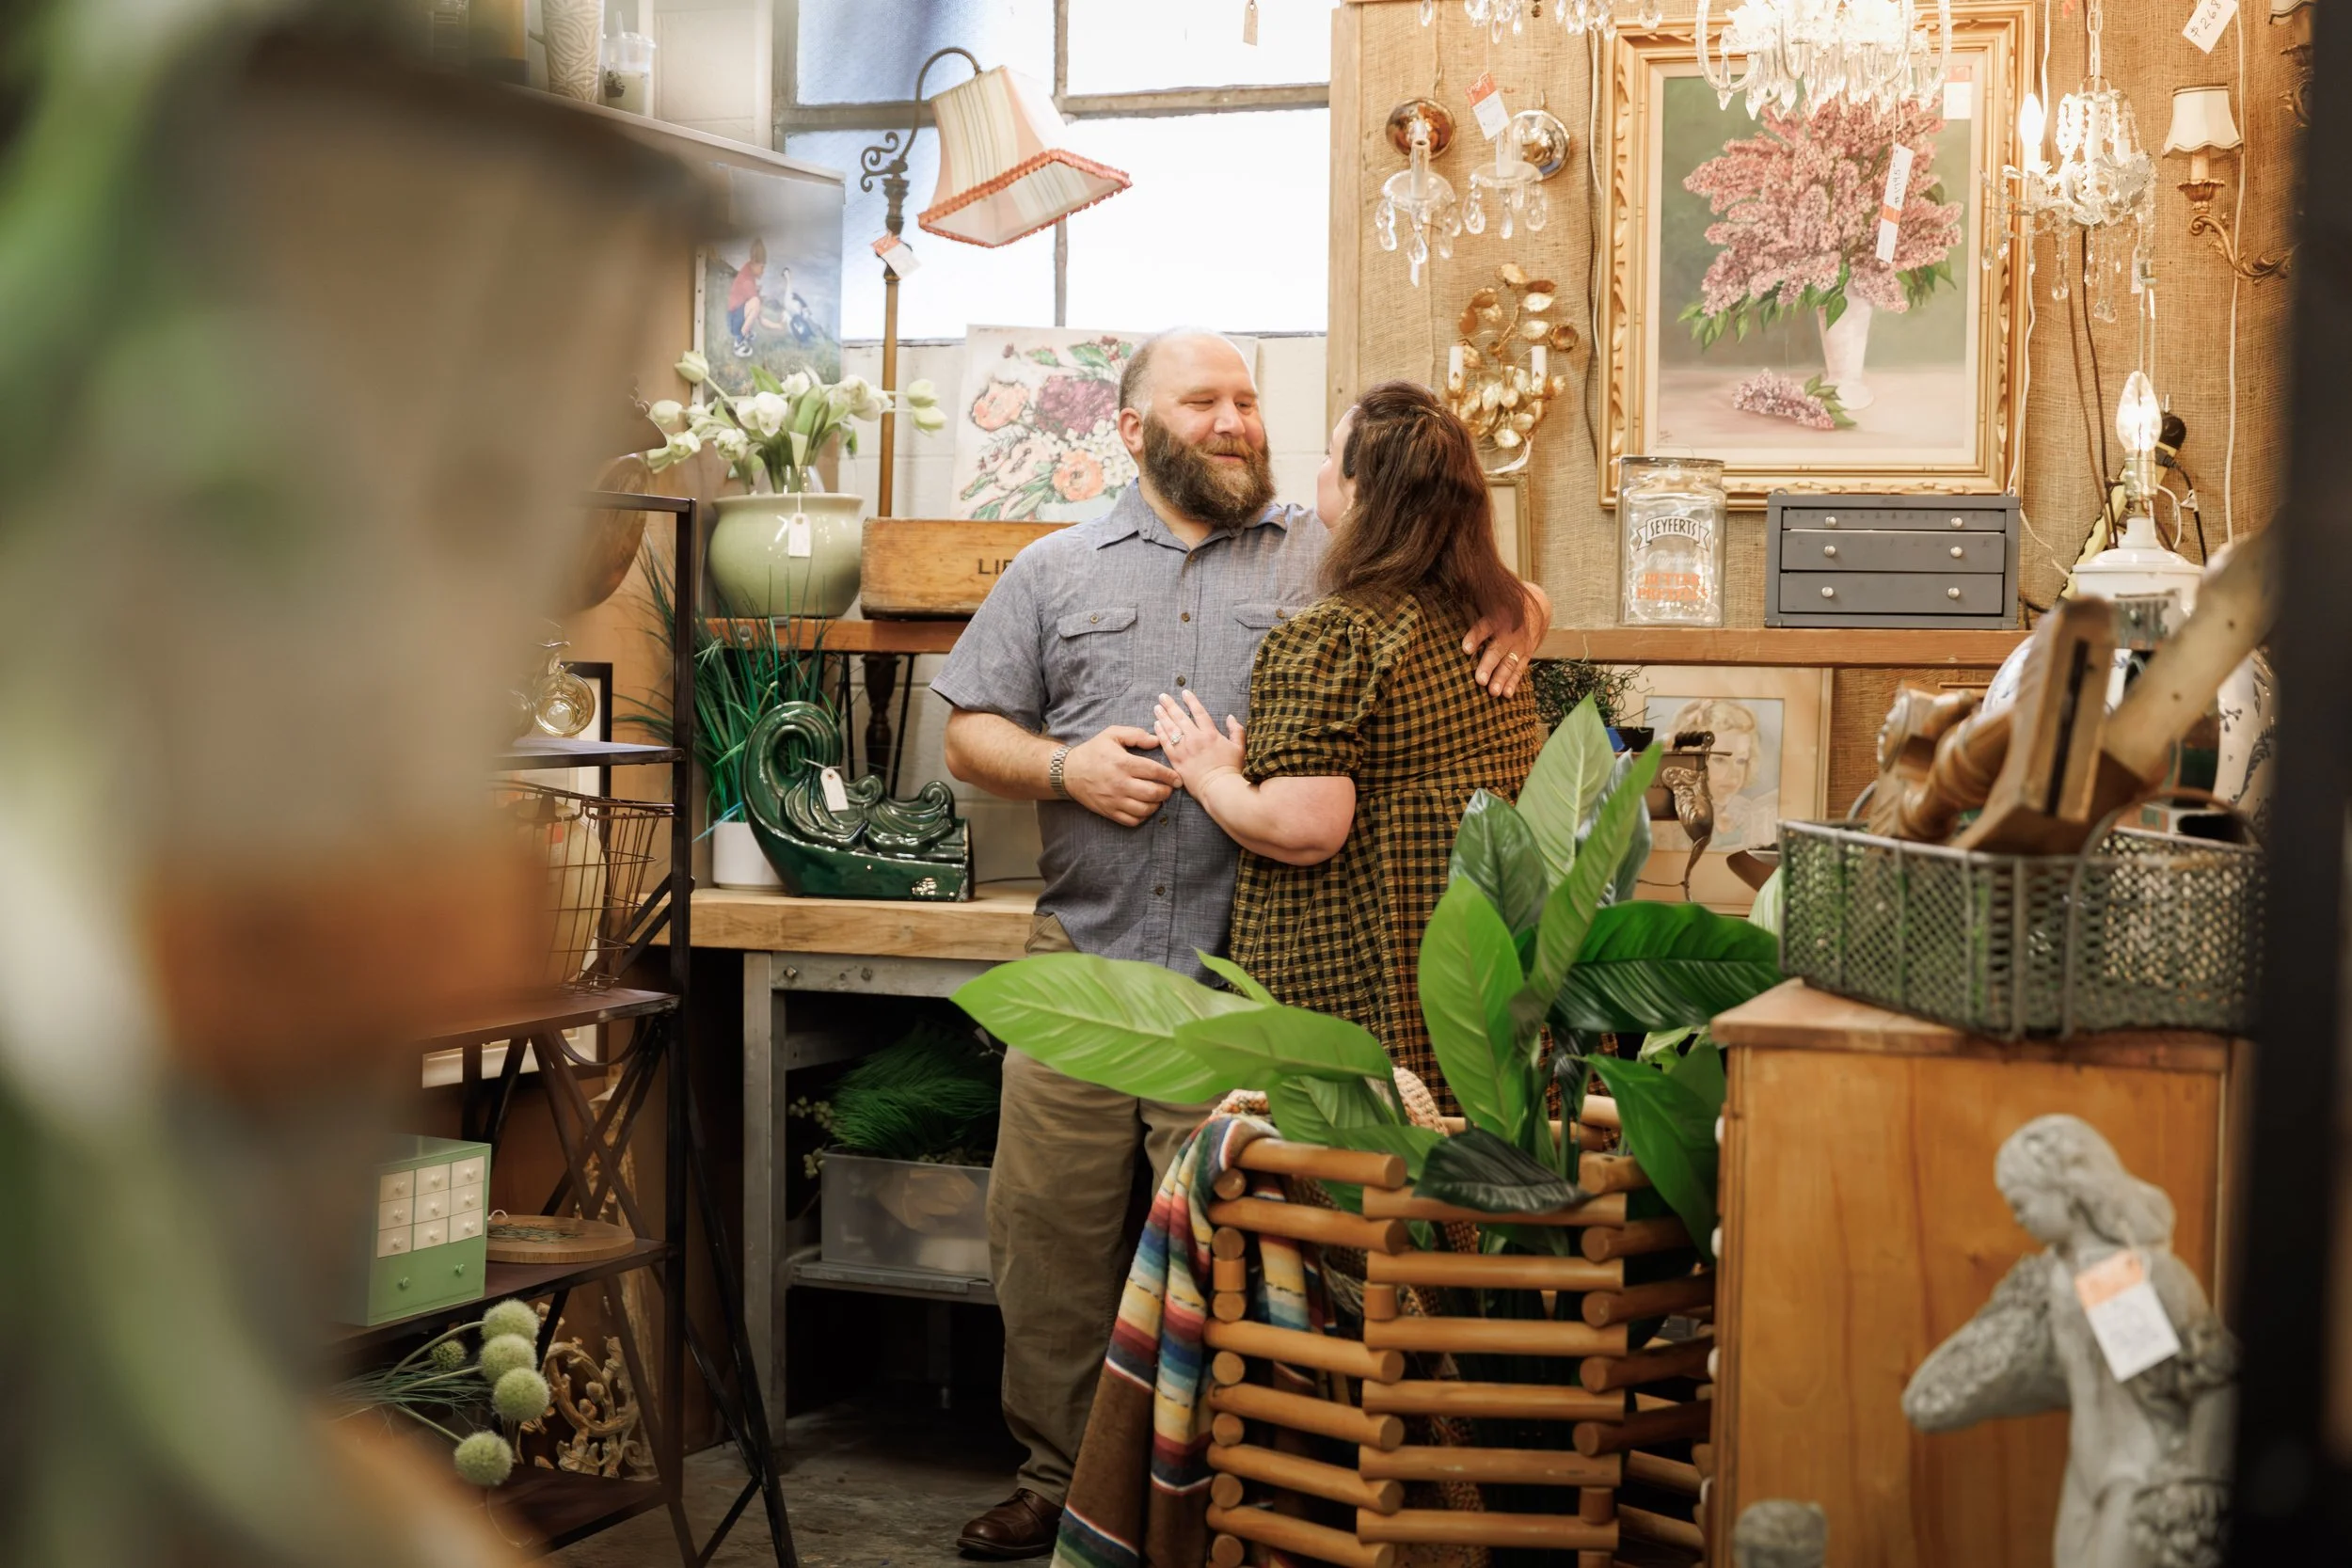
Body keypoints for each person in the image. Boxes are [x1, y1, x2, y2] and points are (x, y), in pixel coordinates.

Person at [930, 332, 1549, 1559]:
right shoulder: (1054, 569)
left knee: (1230, 1264)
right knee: (1046, 1244)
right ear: (1133, 429)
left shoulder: (1333, 554)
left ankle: (1200, 1496)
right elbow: (969, 735)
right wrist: (1064, 763)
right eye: (1203, 400)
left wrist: (1520, 609)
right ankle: (1060, 1481)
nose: (1234, 421)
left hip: (1242, 983)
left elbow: (1479, 579)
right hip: (1086, 959)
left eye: (1250, 400)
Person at [1152, 380, 1543, 1107]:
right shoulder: (1484, 619)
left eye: (1333, 459)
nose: (1320, 473)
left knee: (1380, 1191)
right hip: (1489, 968)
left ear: (1366, 493)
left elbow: (1303, 829)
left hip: (1376, 976)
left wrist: (1212, 777)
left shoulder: (1336, 636)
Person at [725, 238, 766, 357]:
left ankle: (745, 333)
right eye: (762, 267)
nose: (763, 271)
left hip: (734, 315)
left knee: (755, 301)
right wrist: (777, 326)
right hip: (733, 321)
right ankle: (739, 342)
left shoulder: (747, 270)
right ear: (754, 262)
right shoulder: (747, 280)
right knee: (756, 303)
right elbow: (756, 309)